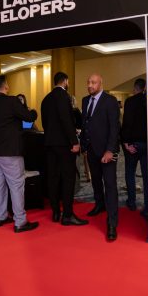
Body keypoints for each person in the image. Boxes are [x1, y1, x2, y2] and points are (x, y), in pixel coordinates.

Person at [0, 75, 39, 233]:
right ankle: (20, 221)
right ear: (6, 86)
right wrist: (33, 111)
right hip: (10, 151)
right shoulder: (12, 101)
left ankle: (0, 216)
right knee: (16, 184)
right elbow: (29, 117)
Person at [40, 72, 88, 226]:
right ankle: (67, 214)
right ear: (65, 81)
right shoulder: (64, 97)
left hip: (49, 144)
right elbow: (66, 120)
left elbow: (45, 123)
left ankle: (55, 212)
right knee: (68, 178)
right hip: (64, 145)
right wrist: (74, 141)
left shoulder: (46, 99)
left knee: (53, 178)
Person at [80, 73, 121, 241]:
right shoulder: (85, 101)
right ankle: (99, 205)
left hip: (107, 152)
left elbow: (114, 128)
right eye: (88, 82)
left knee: (110, 185)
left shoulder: (110, 101)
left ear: (100, 83)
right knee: (96, 181)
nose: (90, 85)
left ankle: (112, 223)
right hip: (91, 151)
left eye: (93, 82)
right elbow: (85, 125)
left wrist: (110, 150)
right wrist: (84, 146)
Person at [121, 78, 148, 219]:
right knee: (146, 177)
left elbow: (127, 122)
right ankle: (147, 207)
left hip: (132, 144)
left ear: (134, 88)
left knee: (130, 173)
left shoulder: (130, 101)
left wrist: (126, 142)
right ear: (144, 88)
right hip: (146, 144)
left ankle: (131, 202)